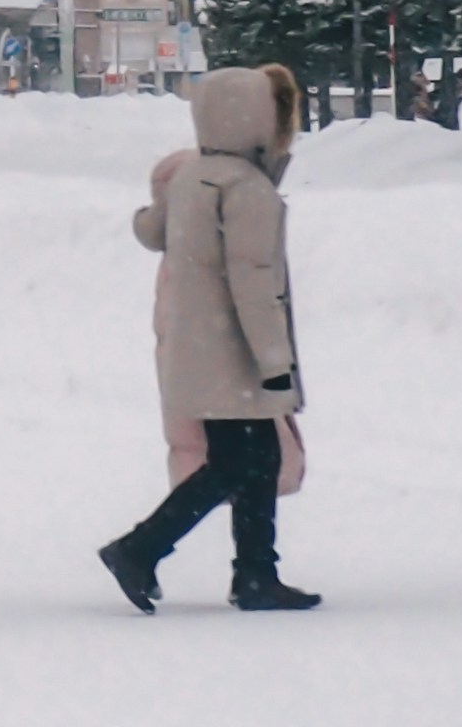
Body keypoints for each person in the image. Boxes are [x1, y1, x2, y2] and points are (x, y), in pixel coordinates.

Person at [100, 65, 319, 612]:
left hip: (199, 346)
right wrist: (274, 359)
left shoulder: (191, 180)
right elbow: (254, 280)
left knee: (246, 459)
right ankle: (143, 548)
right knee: (242, 462)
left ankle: (252, 572)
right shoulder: (247, 191)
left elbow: (151, 231)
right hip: (238, 354)